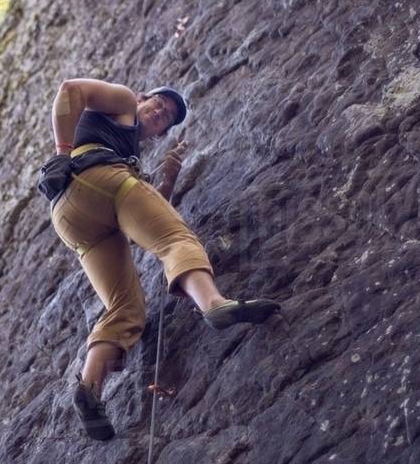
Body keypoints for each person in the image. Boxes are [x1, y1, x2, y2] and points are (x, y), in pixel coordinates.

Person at [37, 78, 280, 441]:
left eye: (166, 117)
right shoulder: (122, 101)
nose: (160, 113)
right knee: (175, 239)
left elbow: (139, 221)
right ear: (141, 98)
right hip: (101, 180)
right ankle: (213, 304)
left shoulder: (127, 149)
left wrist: (167, 180)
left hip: (71, 218)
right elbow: (71, 89)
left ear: (161, 133)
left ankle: (89, 389)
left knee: (125, 307)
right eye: (158, 104)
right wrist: (61, 152)